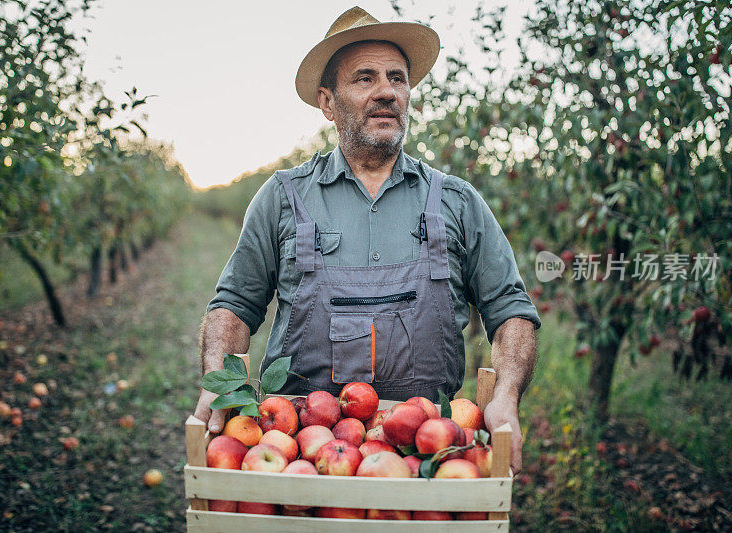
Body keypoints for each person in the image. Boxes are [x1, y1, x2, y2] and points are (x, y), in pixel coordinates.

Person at [194, 6, 540, 474]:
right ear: (328, 102)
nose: (386, 92)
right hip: (300, 452)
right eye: (364, 78)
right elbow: (235, 305)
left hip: (428, 448)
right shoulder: (282, 198)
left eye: (397, 78)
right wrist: (219, 385)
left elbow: (511, 310)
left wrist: (506, 397)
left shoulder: (456, 202)